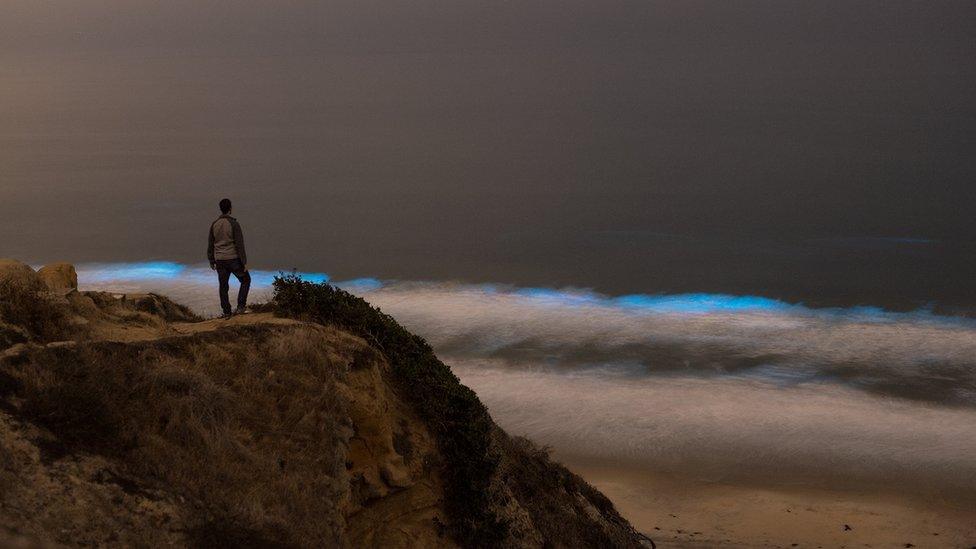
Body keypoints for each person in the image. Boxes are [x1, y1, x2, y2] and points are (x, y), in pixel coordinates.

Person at [207, 198, 251, 318]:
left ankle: (227, 311)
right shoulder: (234, 224)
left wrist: (211, 260)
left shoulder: (214, 224)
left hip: (220, 260)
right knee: (246, 280)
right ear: (230, 209)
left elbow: (210, 243)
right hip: (233, 259)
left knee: (223, 286)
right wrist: (244, 262)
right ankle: (241, 307)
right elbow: (239, 244)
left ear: (220, 208)